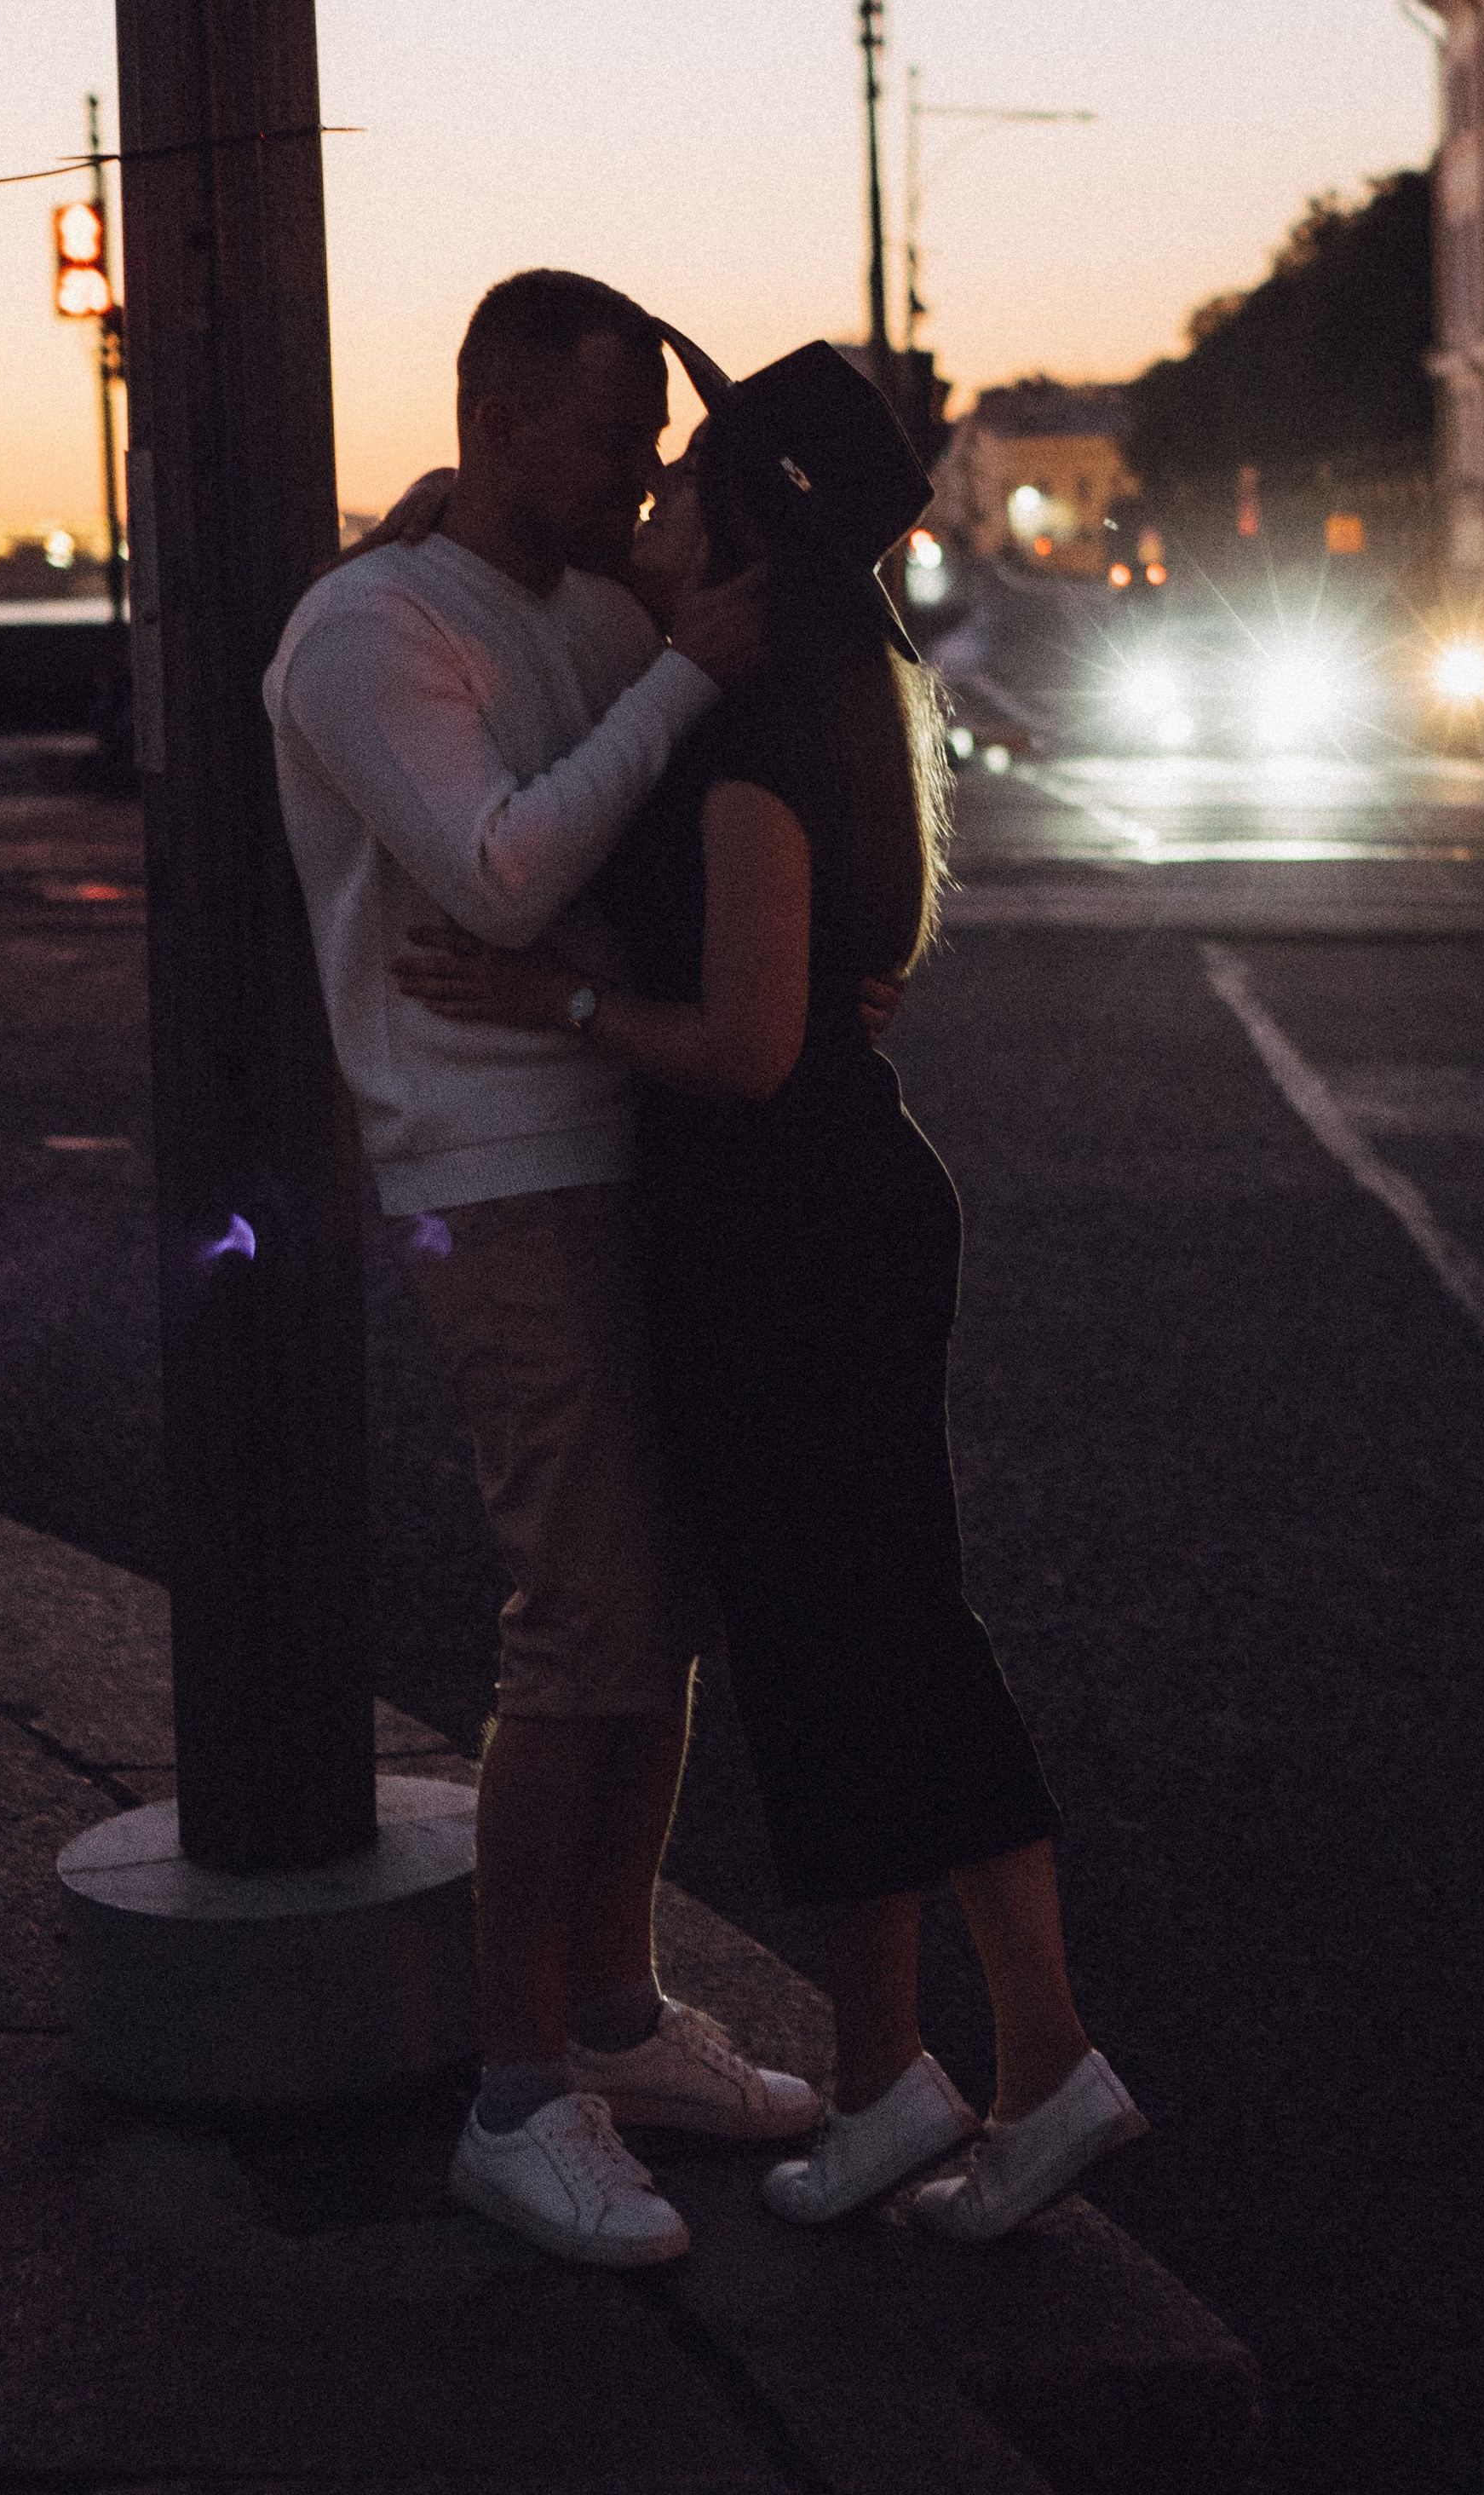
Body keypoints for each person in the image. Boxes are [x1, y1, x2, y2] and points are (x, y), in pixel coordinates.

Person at [394, 340, 1147, 2242]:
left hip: (787, 1229)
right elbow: (811, 991)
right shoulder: (830, 686)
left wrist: (553, 1001)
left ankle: (1039, 2064)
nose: (644, 505)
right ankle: (902, 2075)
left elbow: (742, 1043)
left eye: (675, 487)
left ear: (737, 534)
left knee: (864, 1639)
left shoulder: (740, 735)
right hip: (818, 1215)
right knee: (852, 1641)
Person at [264, 269, 825, 2273]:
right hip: (485, 1169)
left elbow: (626, 873)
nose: (643, 474)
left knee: (651, 1611)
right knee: (576, 1625)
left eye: (653, 444)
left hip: (627, 1139)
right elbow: (495, 863)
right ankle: (517, 2099)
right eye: (613, 438)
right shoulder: (368, 628)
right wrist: (687, 673)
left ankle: (613, 2019)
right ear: (499, 419)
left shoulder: (587, 604)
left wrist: (672, 650)